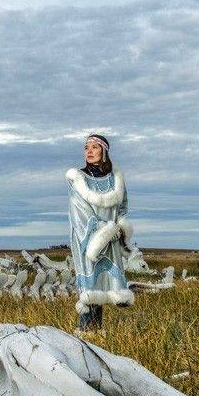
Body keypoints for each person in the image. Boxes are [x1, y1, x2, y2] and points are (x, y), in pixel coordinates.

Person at [66, 133, 133, 333]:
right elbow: (78, 212)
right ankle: (85, 336)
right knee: (90, 288)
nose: (89, 151)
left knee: (103, 285)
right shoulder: (78, 179)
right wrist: (102, 231)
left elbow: (122, 208)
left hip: (110, 239)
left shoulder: (116, 179)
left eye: (94, 147)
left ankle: (96, 335)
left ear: (104, 151)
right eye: (86, 147)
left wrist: (118, 228)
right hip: (87, 239)